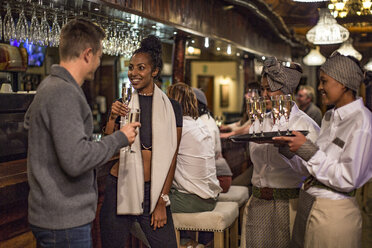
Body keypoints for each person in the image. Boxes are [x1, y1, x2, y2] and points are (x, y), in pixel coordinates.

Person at [24, 19, 139, 248]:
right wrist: (120, 138)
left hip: (55, 218)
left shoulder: (48, 86)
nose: (98, 62)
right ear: (88, 54)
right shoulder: (63, 93)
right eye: (99, 55)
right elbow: (76, 160)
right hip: (64, 221)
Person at [273, 52, 372, 248]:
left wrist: (309, 151)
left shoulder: (362, 121)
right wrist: (291, 150)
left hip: (335, 215)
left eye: (324, 81)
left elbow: (348, 179)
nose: (319, 87)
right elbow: (313, 169)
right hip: (309, 205)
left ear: (343, 83)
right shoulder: (329, 117)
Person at [100, 35, 183, 248]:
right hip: (119, 187)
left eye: (141, 68)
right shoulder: (122, 104)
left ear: (154, 71)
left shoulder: (172, 108)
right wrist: (112, 117)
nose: (133, 73)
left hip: (152, 191)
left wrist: (162, 200)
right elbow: (107, 149)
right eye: (131, 67)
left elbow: (172, 157)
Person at [241, 57, 320, 248]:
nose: (264, 94)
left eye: (269, 89)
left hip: (289, 205)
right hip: (258, 201)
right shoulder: (260, 122)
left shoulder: (305, 125)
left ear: (285, 91)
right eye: (263, 89)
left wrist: (288, 151)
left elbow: (313, 171)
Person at [167, 83, 222, 247]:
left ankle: (185, 242)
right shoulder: (199, 124)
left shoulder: (178, 128)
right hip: (211, 195)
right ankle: (185, 241)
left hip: (195, 200)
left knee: (141, 210)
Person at [193, 87, 233, 193]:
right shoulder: (202, 120)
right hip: (214, 175)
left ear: (198, 104)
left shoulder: (205, 123)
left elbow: (208, 153)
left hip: (220, 177)